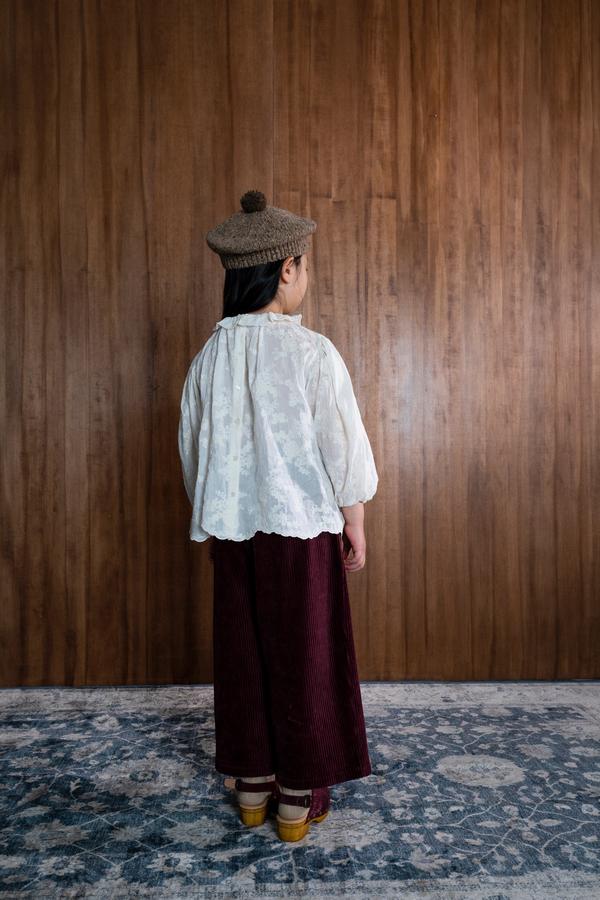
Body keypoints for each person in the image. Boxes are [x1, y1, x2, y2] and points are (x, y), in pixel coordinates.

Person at [178, 189, 378, 842]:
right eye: (305, 265)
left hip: (234, 533)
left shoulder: (208, 358)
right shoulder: (312, 353)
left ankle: (252, 785)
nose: (306, 277)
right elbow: (341, 445)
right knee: (305, 656)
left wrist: (216, 508)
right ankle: (297, 796)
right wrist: (355, 519)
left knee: (244, 656)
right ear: (286, 269)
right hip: (302, 533)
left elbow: (193, 449)